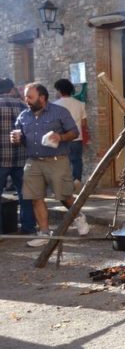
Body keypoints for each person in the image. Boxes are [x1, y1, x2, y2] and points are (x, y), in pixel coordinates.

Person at [11, 83, 89, 246]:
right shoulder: (23, 116)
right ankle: (45, 233)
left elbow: (74, 132)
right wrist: (16, 139)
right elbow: (20, 136)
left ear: (42, 98)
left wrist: (60, 137)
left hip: (57, 160)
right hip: (33, 162)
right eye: (25, 97)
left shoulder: (59, 112)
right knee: (35, 198)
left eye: (30, 97)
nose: (26, 100)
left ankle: (79, 216)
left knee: (64, 196)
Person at [0, 78, 34, 235]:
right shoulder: (23, 105)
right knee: (25, 195)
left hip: (1, 159)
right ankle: (28, 227)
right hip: (22, 158)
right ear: (11, 89)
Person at [53, 78, 88, 191]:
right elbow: (83, 123)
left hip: (61, 139)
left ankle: (65, 185)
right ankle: (77, 180)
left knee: (62, 162)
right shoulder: (80, 104)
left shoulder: (55, 105)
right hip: (77, 137)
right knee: (77, 160)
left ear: (59, 90)